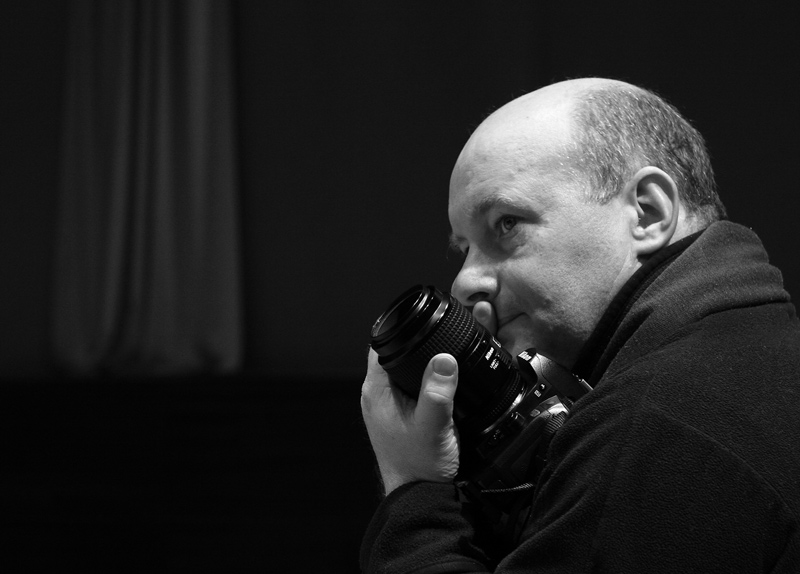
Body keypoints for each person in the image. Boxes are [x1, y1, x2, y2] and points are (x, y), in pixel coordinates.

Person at [359, 78, 800, 573]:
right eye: (463, 249)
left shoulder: (654, 428)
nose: (464, 282)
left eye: (507, 223)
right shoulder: (758, 356)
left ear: (648, 213)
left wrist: (413, 492)